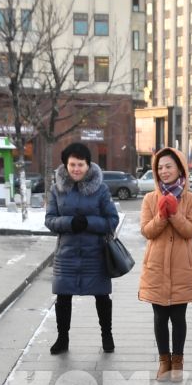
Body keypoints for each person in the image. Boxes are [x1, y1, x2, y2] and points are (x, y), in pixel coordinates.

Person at [44, 142, 119, 354]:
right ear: (66, 166)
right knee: (63, 297)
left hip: (95, 254)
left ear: (88, 165)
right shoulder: (57, 189)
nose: (76, 169)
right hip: (66, 255)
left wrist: (88, 223)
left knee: (102, 296)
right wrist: (69, 223)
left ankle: (107, 335)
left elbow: (112, 220)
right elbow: (49, 220)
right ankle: (62, 338)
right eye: (72, 164)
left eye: (81, 164)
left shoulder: (101, 189)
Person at [138, 146, 192, 381]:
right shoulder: (149, 199)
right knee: (160, 317)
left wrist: (175, 213)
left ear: (180, 168)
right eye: (160, 167)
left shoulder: (191, 200)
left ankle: (178, 361)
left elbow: (191, 231)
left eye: (169, 166)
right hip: (156, 266)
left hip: (182, 267)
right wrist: (162, 215)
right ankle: (164, 361)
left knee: (178, 317)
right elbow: (147, 231)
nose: (164, 171)